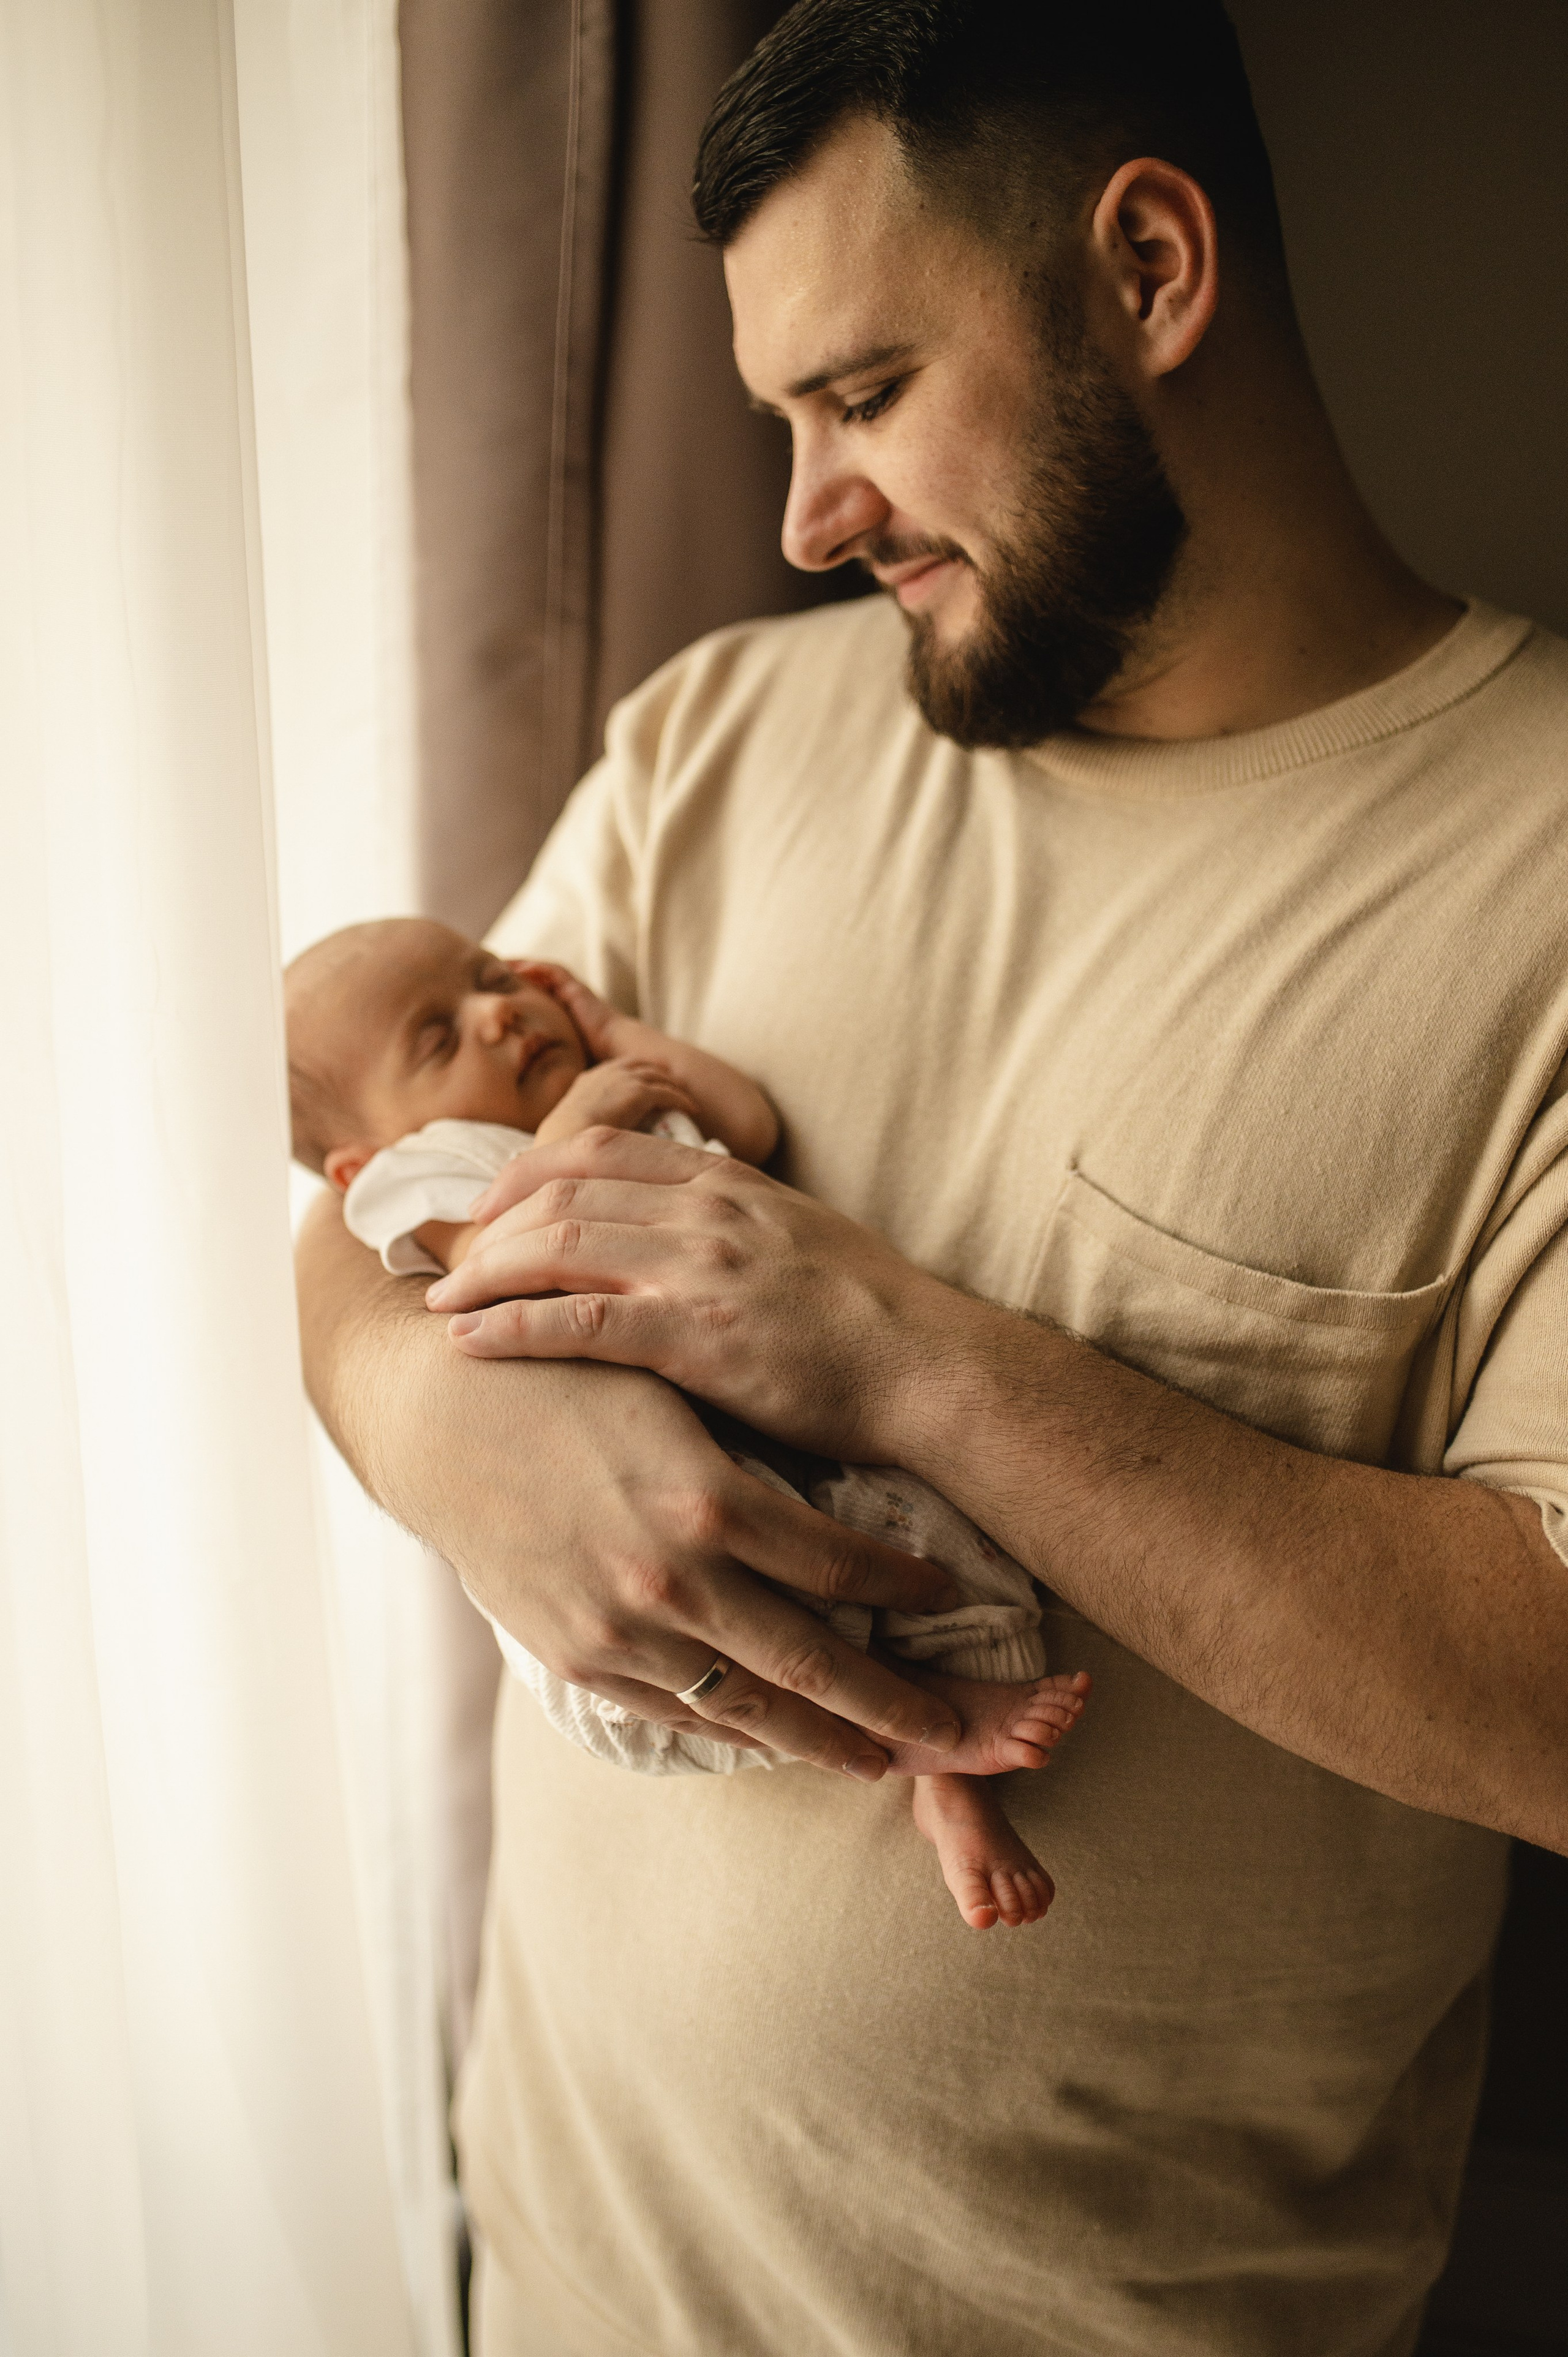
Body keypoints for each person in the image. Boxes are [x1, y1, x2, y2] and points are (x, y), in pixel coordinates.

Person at [296, 2, 1568, 2350]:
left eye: (862, 396)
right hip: (541, 2278)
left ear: (1155, 269)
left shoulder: (1538, 877)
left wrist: (902, 1350)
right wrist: (425, 1421)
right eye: (779, 417)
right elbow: (377, 1166)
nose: (802, 516)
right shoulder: (719, 732)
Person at [284, 916, 1089, 1926]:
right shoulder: (427, 1175)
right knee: (779, 1631)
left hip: (766, 1439)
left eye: (494, 978)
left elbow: (744, 1124)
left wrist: (616, 1035)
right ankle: (928, 1749)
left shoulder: (609, 1086)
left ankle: (952, 1793)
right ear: (361, 1164)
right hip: (622, 1524)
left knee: (945, 1564)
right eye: (440, 1039)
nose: (497, 1014)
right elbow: (497, 1245)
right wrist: (576, 1121)